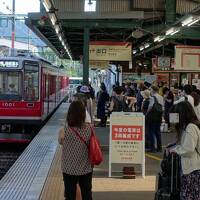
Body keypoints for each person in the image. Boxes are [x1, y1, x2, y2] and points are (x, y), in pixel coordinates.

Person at [58, 101, 93, 200]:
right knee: (87, 193)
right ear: (83, 114)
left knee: (70, 195)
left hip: (68, 168)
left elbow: (60, 142)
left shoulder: (64, 130)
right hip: (85, 168)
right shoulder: (89, 129)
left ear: (70, 114)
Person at [169, 101, 200, 200]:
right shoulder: (190, 126)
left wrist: (175, 150)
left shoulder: (190, 127)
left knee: (189, 195)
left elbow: (188, 149)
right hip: (192, 168)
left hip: (193, 169)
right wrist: (175, 145)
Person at [146, 86, 164, 152]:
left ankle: (152, 148)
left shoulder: (152, 98)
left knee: (151, 132)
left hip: (152, 117)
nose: (150, 91)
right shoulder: (161, 97)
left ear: (153, 90)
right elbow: (162, 108)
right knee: (157, 132)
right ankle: (159, 148)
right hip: (159, 116)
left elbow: (150, 107)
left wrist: (146, 113)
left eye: (150, 89)